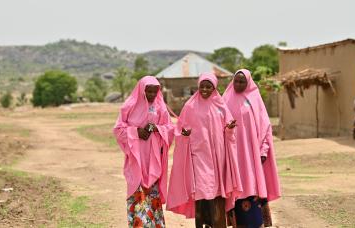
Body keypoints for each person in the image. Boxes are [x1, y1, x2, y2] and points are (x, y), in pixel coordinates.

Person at [167, 72, 242, 228]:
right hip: (198, 156)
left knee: (216, 194)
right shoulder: (190, 106)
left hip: (217, 157)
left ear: (214, 88)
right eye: (202, 86)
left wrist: (229, 129)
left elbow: (229, 129)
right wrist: (184, 135)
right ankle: (202, 223)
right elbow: (179, 130)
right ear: (198, 86)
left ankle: (217, 223)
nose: (205, 90)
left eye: (209, 87)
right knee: (202, 192)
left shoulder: (221, 106)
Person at [223, 69, 281, 228]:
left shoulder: (255, 99)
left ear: (248, 82)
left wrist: (263, 151)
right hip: (233, 155)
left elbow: (265, 127)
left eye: (242, 81)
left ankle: (257, 223)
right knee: (236, 189)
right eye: (236, 81)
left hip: (252, 156)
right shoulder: (225, 99)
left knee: (253, 189)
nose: (238, 84)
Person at [113, 76, 174, 228]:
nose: (152, 95)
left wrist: (156, 128)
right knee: (137, 190)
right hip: (136, 158)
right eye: (148, 91)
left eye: (155, 91)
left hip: (153, 159)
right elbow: (118, 130)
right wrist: (136, 132)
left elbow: (169, 128)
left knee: (152, 193)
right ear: (141, 90)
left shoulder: (160, 107)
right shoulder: (129, 106)